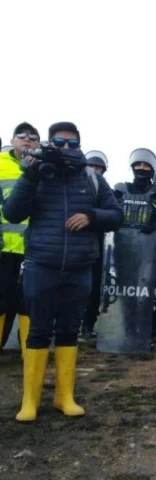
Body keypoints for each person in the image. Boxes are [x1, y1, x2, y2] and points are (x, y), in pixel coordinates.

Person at [4, 122, 123, 422]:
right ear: (49, 144)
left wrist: (91, 216)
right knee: (39, 330)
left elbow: (116, 215)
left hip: (79, 267)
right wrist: (30, 175)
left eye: (71, 143)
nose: (66, 148)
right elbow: (12, 212)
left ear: (79, 145)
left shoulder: (92, 179)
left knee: (69, 330)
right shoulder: (37, 174)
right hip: (41, 265)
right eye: (58, 143)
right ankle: (30, 401)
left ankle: (64, 396)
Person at [114, 148, 156, 342]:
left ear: (153, 169)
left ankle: (152, 326)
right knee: (127, 289)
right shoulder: (120, 189)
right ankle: (128, 327)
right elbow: (110, 211)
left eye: (146, 165)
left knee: (149, 289)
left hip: (152, 250)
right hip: (125, 247)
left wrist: (153, 227)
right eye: (138, 165)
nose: (142, 168)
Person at [0, 122, 39, 355]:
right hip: (3, 249)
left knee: (28, 302)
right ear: (12, 140)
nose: (27, 139)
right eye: (21, 135)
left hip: (32, 250)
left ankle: (29, 353)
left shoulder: (45, 167)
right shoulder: (1, 164)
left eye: (32, 137)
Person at [81, 150, 110, 340]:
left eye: (98, 168)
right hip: (73, 244)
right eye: (91, 166)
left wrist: (92, 216)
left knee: (94, 286)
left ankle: (88, 325)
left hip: (96, 244)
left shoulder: (104, 190)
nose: (94, 170)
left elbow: (113, 214)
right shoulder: (73, 184)